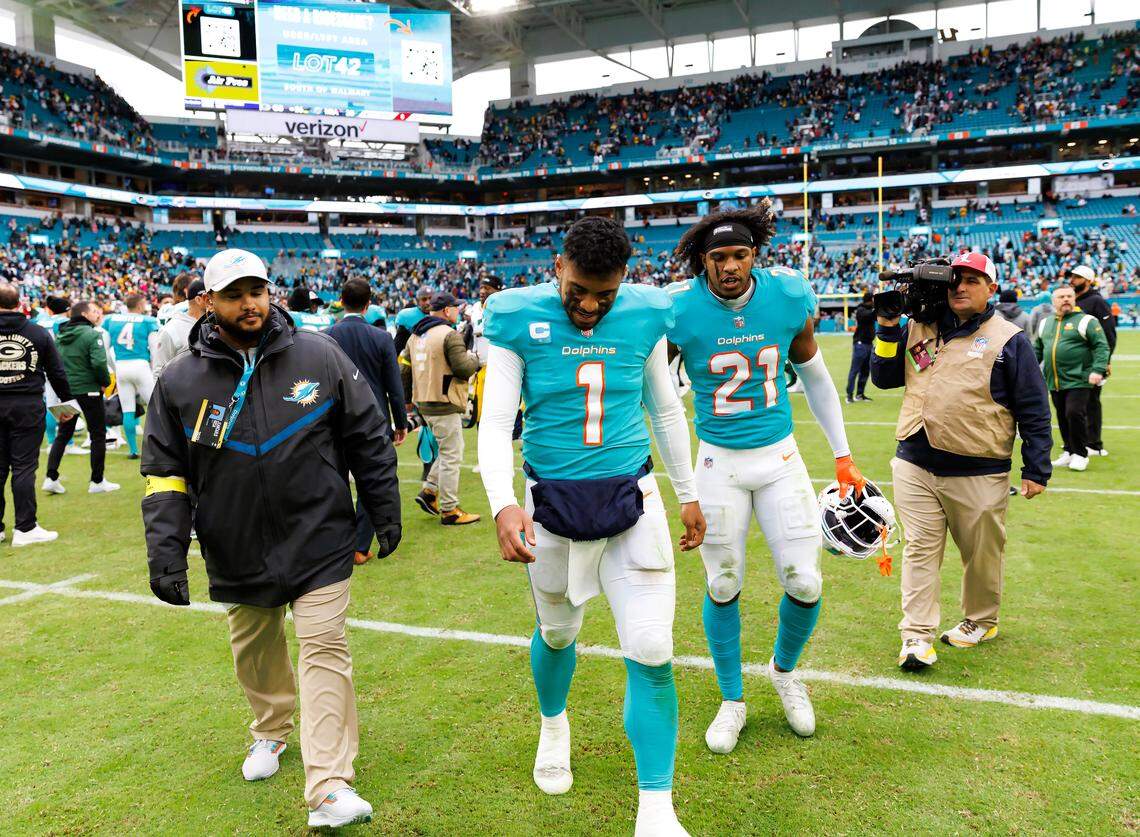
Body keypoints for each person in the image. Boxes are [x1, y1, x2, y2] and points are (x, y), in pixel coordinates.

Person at [141, 248, 401, 829]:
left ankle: (330, 785)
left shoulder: (319, 353)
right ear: (209, 303)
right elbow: (165, 475)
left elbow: (366, 434)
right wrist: (166, 553)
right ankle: (270, 730)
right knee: (256, 651)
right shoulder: (180, 380)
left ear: (270, 291)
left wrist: (383, 508)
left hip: (320, 538)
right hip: (235, 544)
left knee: (325, 648)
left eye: (257, 291)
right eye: (234, 294)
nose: (249, 304)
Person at [478, 217, 705, 837]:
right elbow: (496, 424)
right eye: (579, 288)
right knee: (557, 634)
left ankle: (656, 806)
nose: (589, 305)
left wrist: (687, 493)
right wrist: (502, 503)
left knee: (654, 648)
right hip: (550, 503)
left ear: (624, 281)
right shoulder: (517, 317)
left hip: (633, 496)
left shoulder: (643, 314)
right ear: (558, 266)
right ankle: (554, 724)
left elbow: (663, 408)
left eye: (604, 294)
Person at [667, 205, 867, 751]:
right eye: (719, 257)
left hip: (780, 459)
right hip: (717, 463)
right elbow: (661, 395)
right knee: (722, 582)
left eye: (739, 255)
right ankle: (732, 698)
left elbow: (817, 376)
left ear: (755, 255)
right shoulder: (679, 308)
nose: (730, 266)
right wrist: (679, 485)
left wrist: (843, 455)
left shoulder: (785, 293)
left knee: (805, 581)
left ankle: (784, 671)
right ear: (702, 261)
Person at [871, 252, 1052, 670]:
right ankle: (916, 636)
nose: (960, 287)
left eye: (973, 280)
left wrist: (1037, 467)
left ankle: (980, 620)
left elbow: (1033, 408)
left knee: (981, 554)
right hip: (915, 461)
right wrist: (885, 325)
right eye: (956, 279)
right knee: (919, 549)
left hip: (979, 467)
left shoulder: (1010, 338)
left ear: (991, 288)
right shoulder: (920, 326)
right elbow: (883, 377)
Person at [329, 278, 409, 564]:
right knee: (370, 481)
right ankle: (360, 546)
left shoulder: (327, 335)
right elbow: (394, 386)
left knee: (335, 480)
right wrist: (401, 422)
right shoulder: (381, 338)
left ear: (341, 299)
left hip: (335, 419)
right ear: (368, 304)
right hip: (373, 420)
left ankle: (339, 542)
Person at [0, 282, 78, 545]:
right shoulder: (38, 333)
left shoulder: (38, 332)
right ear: (20, 304)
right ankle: (25, 528)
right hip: (26, 406)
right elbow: (57, 373)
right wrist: (67, 404)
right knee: (23, 467)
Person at [406, 291, 481, 525]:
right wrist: (475, 360)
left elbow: (404, 370)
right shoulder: (449, 334)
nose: (458, 311)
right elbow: (462, 368)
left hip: (425, 401)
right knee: (451, 454)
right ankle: (449, 509)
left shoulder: (415, 335)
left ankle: (429, 492)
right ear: (447, 311)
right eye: (455, 308)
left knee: (448, 449)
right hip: (444, 401)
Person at [43, 300, 119, 495]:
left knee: (63, 435)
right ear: (85, 315)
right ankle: (97, 481)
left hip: (68, 391)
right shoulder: (92, 334)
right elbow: (99, 363)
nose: (98, 314)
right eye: (94, 311)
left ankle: (50, 477)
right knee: (98, 434)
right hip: (89, 391)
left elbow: (56, 365)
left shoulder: (61, 335)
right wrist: (104, 382)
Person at [1033, 286, 1110, 473]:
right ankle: (1068, 450)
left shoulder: (1087, 321)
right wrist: (1030, 370)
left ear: (1074, 299)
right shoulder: (1045, 323)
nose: (1065, 299)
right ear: (1053, 301)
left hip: (1079, 378)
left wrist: (1098, 369)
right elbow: (1038, 348)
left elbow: (1101, 346)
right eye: (1061, 296)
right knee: (1061, 416)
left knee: (1074, 413)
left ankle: (1081, 454)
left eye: (1069, 296)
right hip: (1055, 380)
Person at [103, 293, 159, 459]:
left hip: (121, 367)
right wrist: (154, 368)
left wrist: (115, 367)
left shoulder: (111, 320)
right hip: (141, 365)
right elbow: (155, 348)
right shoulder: (148, 321)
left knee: (128, 409)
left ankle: (133, 450)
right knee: (156, 408)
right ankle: (158, 445)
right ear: (140, 305)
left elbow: (105, 351)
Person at [1068, 265, 1116, 457]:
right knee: (1074, 404)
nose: (1072, 280)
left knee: (1091, 403)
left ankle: (1094, 443)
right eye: (1072, 276)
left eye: (1077, 277)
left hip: (1093, 362)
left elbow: (1109, 334)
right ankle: (1077, 442)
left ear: (1088, 281)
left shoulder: (1097, 301)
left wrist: (1105, 360)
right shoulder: (1072, 300)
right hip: (1073, 363)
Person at [153, 279, 207, 372]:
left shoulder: (214, 324)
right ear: (199, 300)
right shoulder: (171, 329)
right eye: (210, 297)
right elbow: (159, 370)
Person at [845, 290, 875, 403]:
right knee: (855, 370)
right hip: (860, 344)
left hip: (868, 344)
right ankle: (849, 395)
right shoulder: (861, 310)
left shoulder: (868, 310)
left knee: (866, 371)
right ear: (870, 300)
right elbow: (870, 315)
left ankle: (860, 394)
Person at [393, 286, 433, 354]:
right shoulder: (407, 316)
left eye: (430, 298)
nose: (428, 302)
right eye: (424, 299)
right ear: (418, 301)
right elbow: (398, 347)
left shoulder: (441, 314)